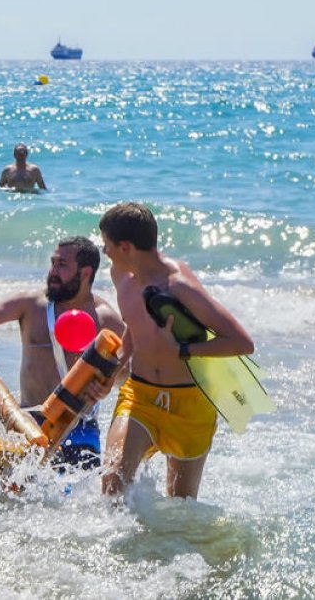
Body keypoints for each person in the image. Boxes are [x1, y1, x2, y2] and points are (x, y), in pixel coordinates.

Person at [98, 202, 254, 499]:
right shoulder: (121, 275)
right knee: (112, 482)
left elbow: (241, 342)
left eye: (107, 245)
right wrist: (116, 368)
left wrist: (184, 349)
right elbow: (134, 326)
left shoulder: (179, 287)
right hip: (140, 396)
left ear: (125, 247)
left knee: (181, 508)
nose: (104, 252)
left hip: (190, 404)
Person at [0, 236, 125, 469]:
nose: (52, 271)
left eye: (62, 265)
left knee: (74, 500)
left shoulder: (106, 318)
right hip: (28, 421)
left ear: (85, 273)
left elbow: (128, 374)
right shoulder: (30, 305)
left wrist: (107, 383)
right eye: (52, 263)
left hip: (79, 426)